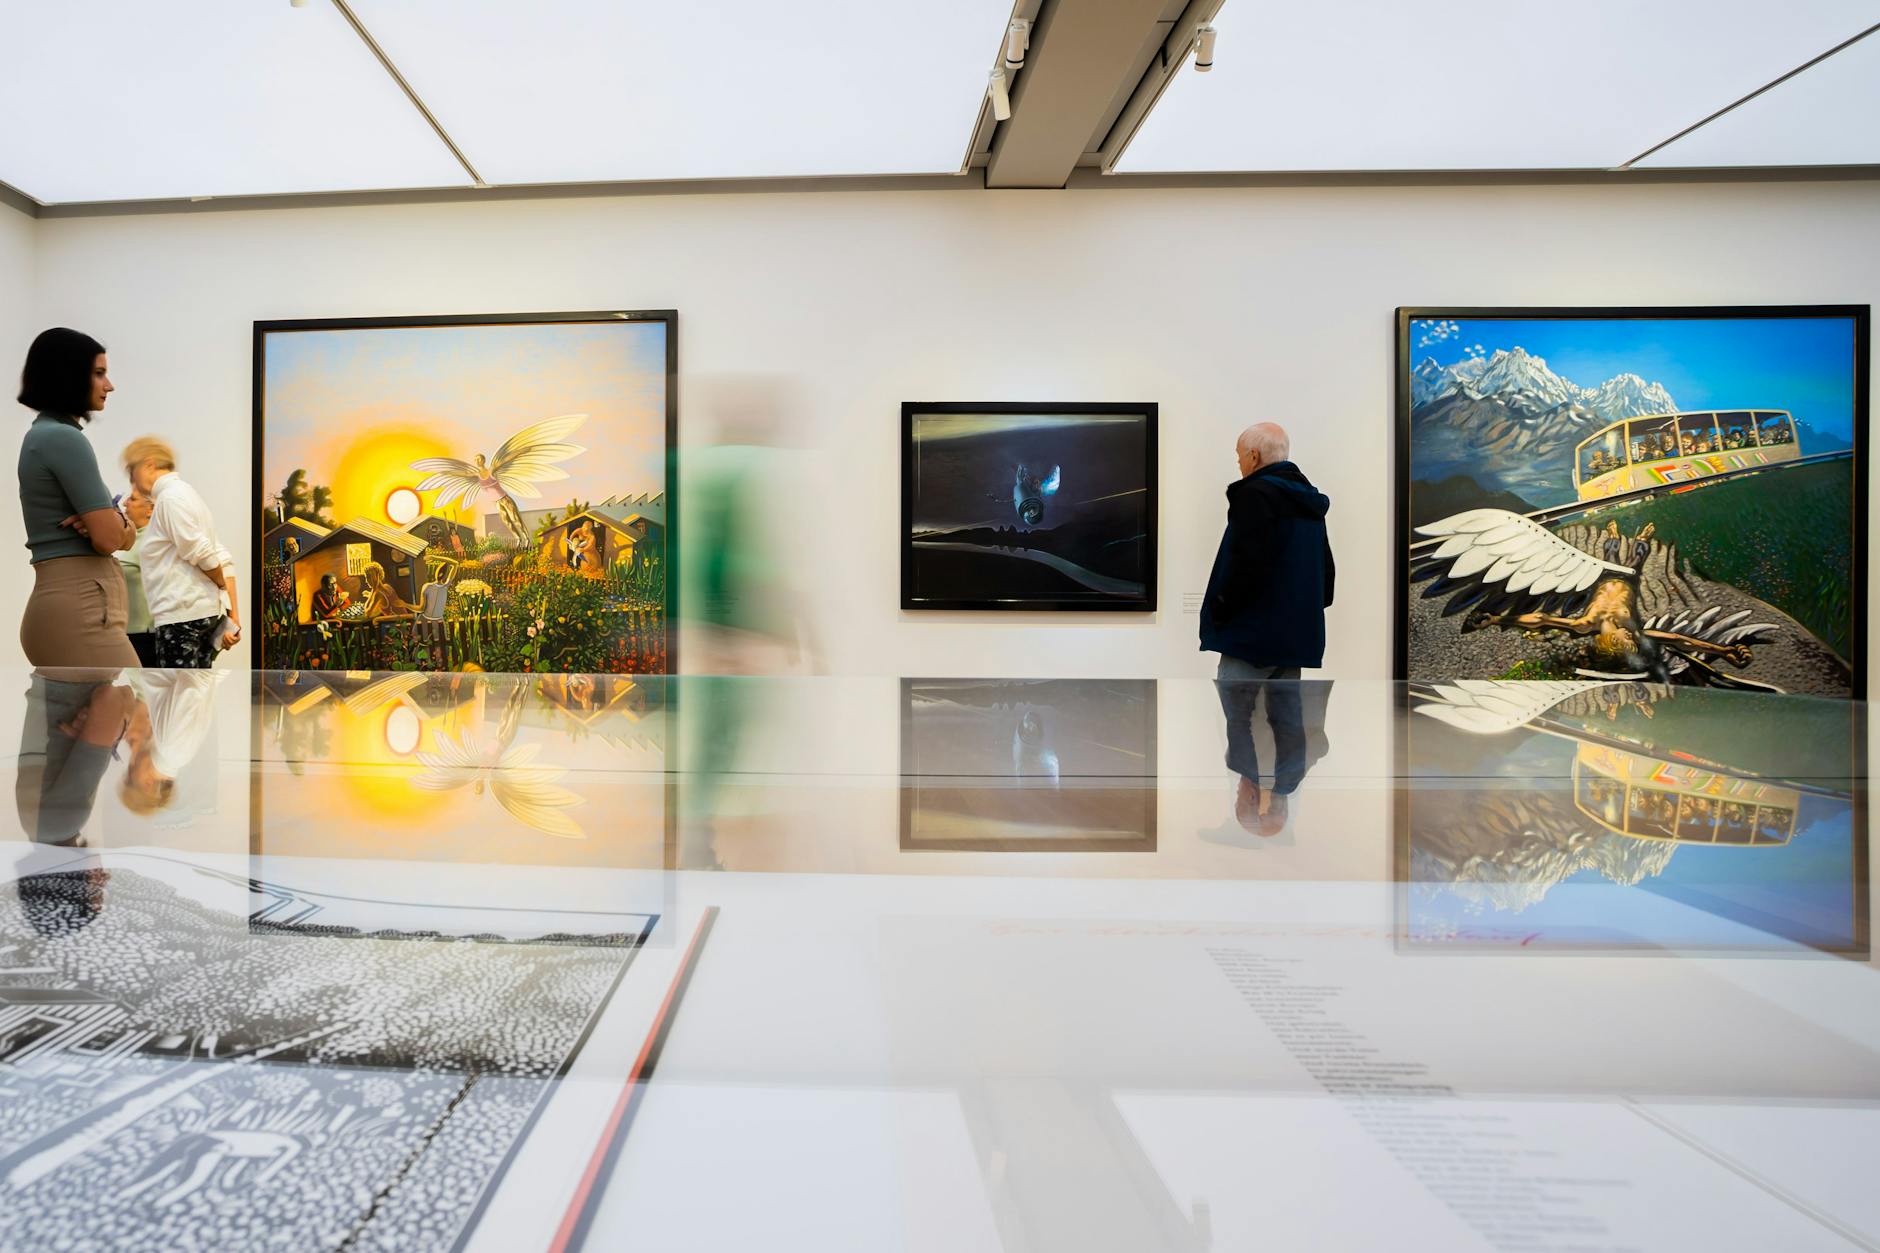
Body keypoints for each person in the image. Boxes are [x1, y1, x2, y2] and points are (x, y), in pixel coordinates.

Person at [16, 328, 139, 668]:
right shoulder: (62, 439)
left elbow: (115, 534)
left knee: (128, 713)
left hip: (79, 611)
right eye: (99, 373)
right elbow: (110, 538)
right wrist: (118, 522)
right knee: (136, 711)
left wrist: (115, 521)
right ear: (69, 376)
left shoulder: (49, 435)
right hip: (79, 615)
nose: (109, 385)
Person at [1200, 422, 1335, 681]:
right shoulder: (1309, 500)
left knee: (1240, 717)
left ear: (1253, 456)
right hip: (1295, 636)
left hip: (1250, 638)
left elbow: (1246, 564)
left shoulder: (1254, 495)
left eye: (1239, 456)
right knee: (1287, 719)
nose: (1239, 464)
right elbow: (1326, 569)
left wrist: (1219, 611)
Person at [128, 437, 242, 669]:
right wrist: (230, 609)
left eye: (132, 471)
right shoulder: (186, 494)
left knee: (178, 697)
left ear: (148, 465)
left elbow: (203, 553)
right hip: (194, 613)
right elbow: (218, 553)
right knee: (193, 695)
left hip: (182, 616)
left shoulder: (170, 499)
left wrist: (219, 583)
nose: (132, 481)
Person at [117, 482, 159, 666]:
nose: (125, 503)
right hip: (129, 635)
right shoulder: (133, 540)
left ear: (150, 510)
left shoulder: (155, 542)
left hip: (146, 637)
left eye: (133, 499)